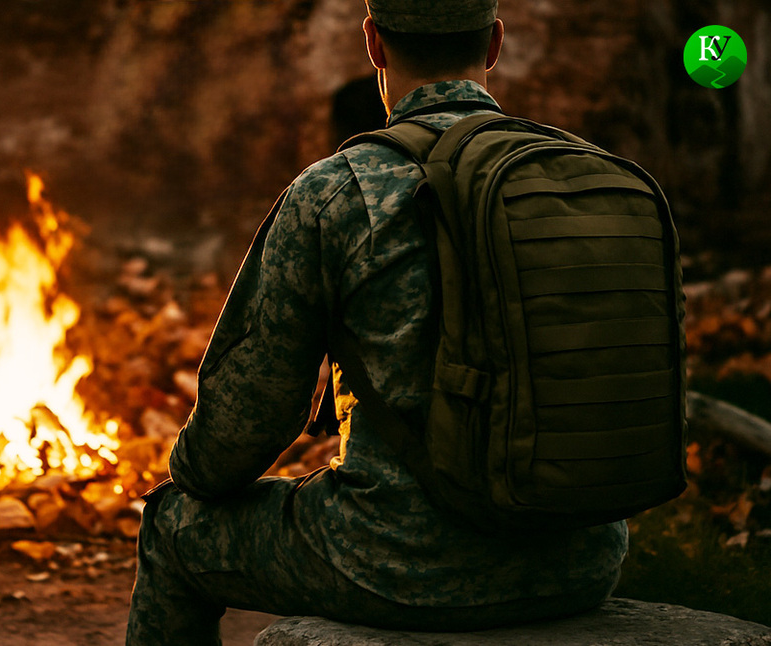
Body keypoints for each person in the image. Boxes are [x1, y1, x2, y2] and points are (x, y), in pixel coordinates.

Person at [124, 1, 630, 645]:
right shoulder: (588, 177)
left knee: (172, 528)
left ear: (373, 44)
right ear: (496, 43)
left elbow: (248, 421)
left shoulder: (336, 192)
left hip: (399, 563)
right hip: (583, 560)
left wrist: (190, 479)